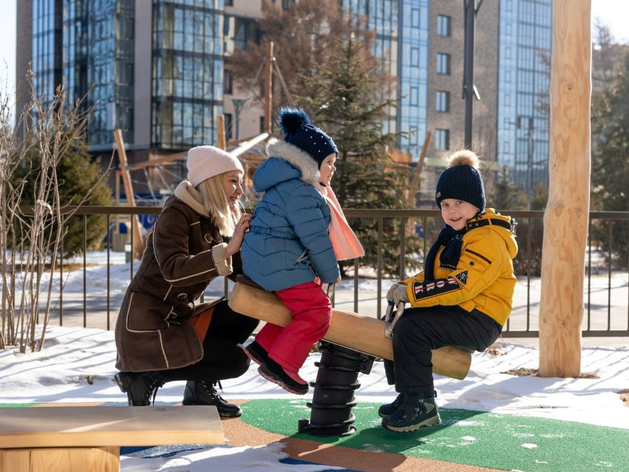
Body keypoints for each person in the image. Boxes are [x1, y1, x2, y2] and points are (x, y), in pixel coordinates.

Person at [114, 146, 259, 418]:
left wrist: (274, 263)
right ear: (212, 181)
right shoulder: (176, 213)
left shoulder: (210, 218)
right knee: (235, 361)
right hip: (149, 326)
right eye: (233, 181)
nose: (240, 190)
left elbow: (238, 272)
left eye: (240, 181)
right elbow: (172, 269)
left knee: (248, 308)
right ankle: (143, 375)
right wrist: (227, 250)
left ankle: (199, 391)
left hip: (179, 319)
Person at [380, 149, 518, 433]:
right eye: (444, 204)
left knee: (413, 329)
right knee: (403, 323)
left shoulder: (487, 238)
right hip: (464, 311)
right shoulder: (459, 235)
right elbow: (438, 275)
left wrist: (414, 294)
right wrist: (405, 286)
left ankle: (422, 404)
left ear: (476, 203)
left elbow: (461, 284)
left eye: (459, 202)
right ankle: (410, 394)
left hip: (480, 318)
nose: (451, 211)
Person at [240, 108, 363, 395]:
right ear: (309, 162)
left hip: (265, 259)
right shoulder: (302, 193)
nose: (333, 169)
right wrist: (330, 274)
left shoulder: (287, 185)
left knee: (296, 305)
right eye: (329, 162)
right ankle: (281, 364)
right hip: (274, 261)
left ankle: (264, 346)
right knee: (317, 311)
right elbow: (315, 239)